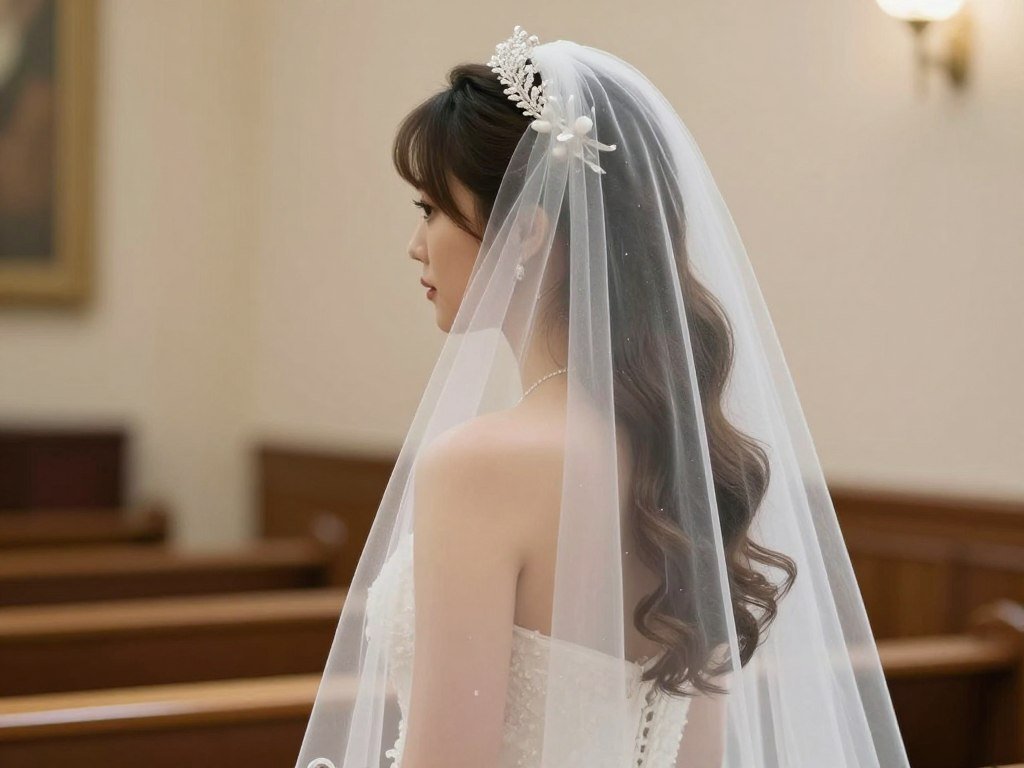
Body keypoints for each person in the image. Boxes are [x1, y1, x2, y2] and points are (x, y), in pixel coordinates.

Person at [296, 26, 910, 768]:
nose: (416, 245)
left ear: (525, 229)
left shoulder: (479, 465)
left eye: (429, 209)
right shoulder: (683, 454)